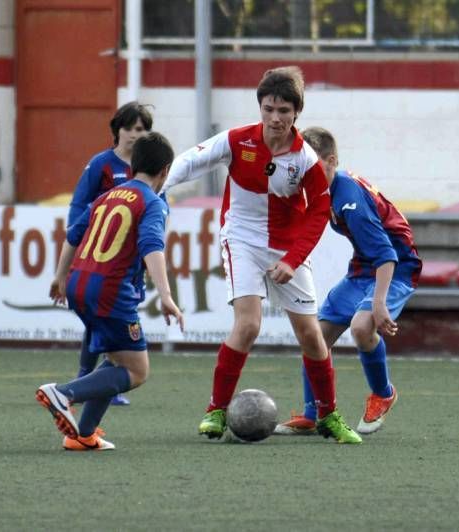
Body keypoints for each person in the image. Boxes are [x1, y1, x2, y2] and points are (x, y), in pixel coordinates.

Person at [162, 66, 361, 444]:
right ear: (260, 107)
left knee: (311, 336)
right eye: (268, 108)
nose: (275, 118)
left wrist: (292, 258)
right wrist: (162, 188)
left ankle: (329, 415)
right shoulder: (237, 140)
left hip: (287, 250)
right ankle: (216, 411)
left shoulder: (305, 159)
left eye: (283, 110)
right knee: (249, 324)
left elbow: (319, 212)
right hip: (241, 240)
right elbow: (191, 160)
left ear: (295, 113)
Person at [36, 132, 184, 451]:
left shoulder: (109, 196)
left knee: (117, 358)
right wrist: (167, 296)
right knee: (137, 369)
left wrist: (60, 277)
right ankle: (63, 393)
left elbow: (73, 235)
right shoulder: (152, 202)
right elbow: (152, 247)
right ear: (165, 171)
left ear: (132, 168)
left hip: (79, 285)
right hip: (110, 292)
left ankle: (84, 433)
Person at [274, 127, 422, 436]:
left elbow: (386, 254)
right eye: (303, 168)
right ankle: (312, 414)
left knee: (361, 327)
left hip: (395, 267)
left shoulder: (350, 200)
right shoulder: (319, 190)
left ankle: (383, 394)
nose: (307, 174)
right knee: (314, 338)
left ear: (331, 161)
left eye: (314, 167)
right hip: (362, 268)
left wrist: (379, 303)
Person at [65, 101, 153, 407]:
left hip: (130, 262)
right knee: (99, 322)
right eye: (129, 128)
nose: (134, 134)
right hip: (100, 257)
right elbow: (80, 206)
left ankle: (104, 383)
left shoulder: (148, 171)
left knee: (113, 320)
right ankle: (85, 377)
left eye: (141, 129)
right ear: (117, 130)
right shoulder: (102, 163)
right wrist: (76, 240)